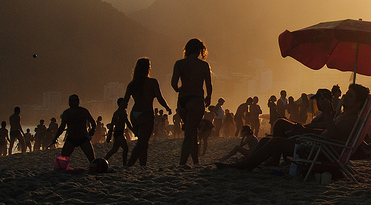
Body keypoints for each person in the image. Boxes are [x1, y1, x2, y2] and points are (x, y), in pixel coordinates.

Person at [217, 84, 369, 171]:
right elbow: (328, 132)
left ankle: (243, 166)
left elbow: (334, 135)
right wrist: (306, 129)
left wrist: (328, 113)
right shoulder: (345, 115)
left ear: (358, 104)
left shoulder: (352, 119)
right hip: (317, 145)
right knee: (268, 139)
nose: (345, 99)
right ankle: (252, 161)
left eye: (350, 96)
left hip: (320, 151)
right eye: (346, 95)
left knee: (276, 141)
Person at [120, 57, 171, 166]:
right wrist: (167, 107)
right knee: (142, 142)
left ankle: (143, 165)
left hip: (134, 114)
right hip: (146, 113)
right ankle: (129, 165)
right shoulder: (152, 82)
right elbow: (159, 97)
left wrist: (119, 113)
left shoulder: (132, 84)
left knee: (143, 142)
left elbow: (125, 101)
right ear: (148, 68)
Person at [172, 38, 212, 166]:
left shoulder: (179, 63)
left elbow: (174, 83)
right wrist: (209, 97)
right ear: (200, 50)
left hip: (182, 100)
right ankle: (182, 163)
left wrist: (179, 89)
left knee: (192, 131)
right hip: (196, 99)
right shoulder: (203, 65)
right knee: (189, 134)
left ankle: (195, 161)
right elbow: (208, 85)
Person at [50, 94, 97, 162]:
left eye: (74, 101)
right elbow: (62, 127)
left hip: (83, 138)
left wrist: (93, 130)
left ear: (78, 102)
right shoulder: (66, 113)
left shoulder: (83, 111)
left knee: (92, 159)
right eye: (70, 101)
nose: (72, 103)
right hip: (71, 138)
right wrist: (55, 137)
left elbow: (93, 122)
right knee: (63, 159)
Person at [105, 97, 135, 165]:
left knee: (114, 150)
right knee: (125, 148)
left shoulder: (124, 112)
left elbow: (127, 123)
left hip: (120, 132)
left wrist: (133, 131)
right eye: (125, 103)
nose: (127, 104)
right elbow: (113, 123)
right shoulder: (118, 112)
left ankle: (105, 159)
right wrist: (109, 135)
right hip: (118, 133)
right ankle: (124, 164)